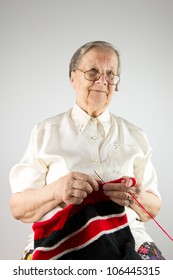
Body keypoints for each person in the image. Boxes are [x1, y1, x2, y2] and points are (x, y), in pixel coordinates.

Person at [9, 41, 165, 260]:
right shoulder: (45, 132)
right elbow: (18, 208)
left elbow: (153, 208)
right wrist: (56, 191)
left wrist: (134, 197)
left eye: (111, 74)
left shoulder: (136, 135)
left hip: (130, 238)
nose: (102, 81)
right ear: (73, 78)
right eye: (93, 71)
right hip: (58, 240)